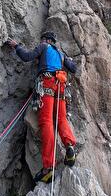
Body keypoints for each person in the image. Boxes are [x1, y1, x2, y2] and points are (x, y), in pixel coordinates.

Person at [7, 31, 77, 183]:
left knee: (46, 122)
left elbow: (27, 57)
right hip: (61, 86)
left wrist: (17, 46)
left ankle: (48, 168)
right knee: (61, 118)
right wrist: (71, 60)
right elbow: (73, 68)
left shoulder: (44, 46)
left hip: (47, 84)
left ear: (46, 40)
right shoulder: (60, 53)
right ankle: (69, 146)